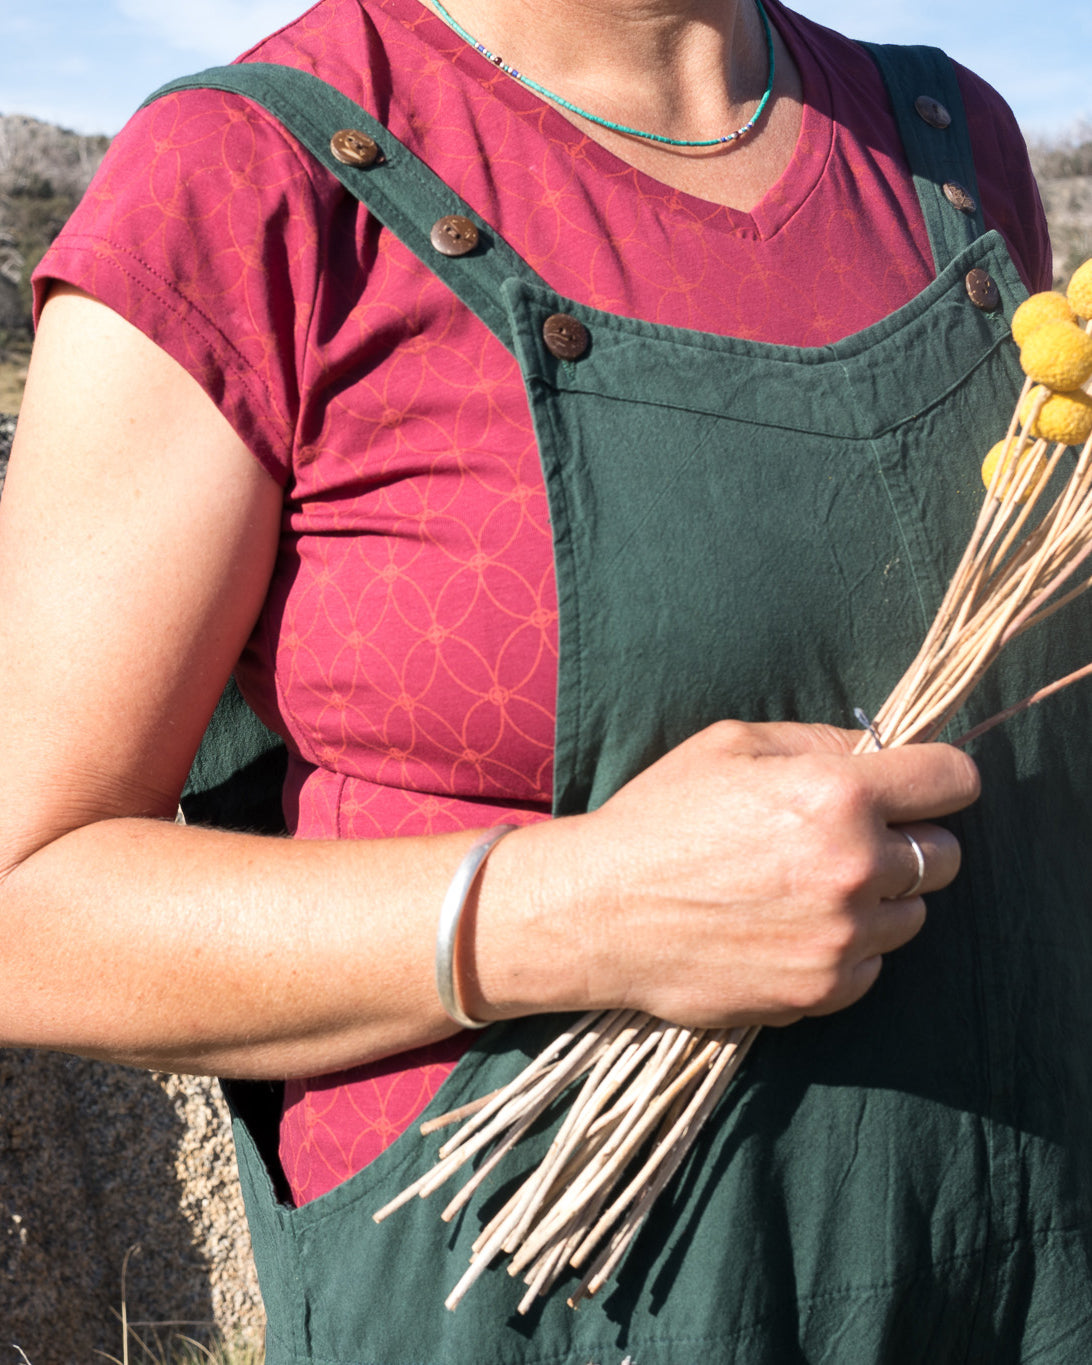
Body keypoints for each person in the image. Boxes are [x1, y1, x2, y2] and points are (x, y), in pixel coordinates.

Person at [1, 0, 1089, 1359]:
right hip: (544, 1305)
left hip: (1014, 1279)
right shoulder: (236, 180)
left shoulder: (951, 146)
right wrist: (586, 909)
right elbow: (24, 903)